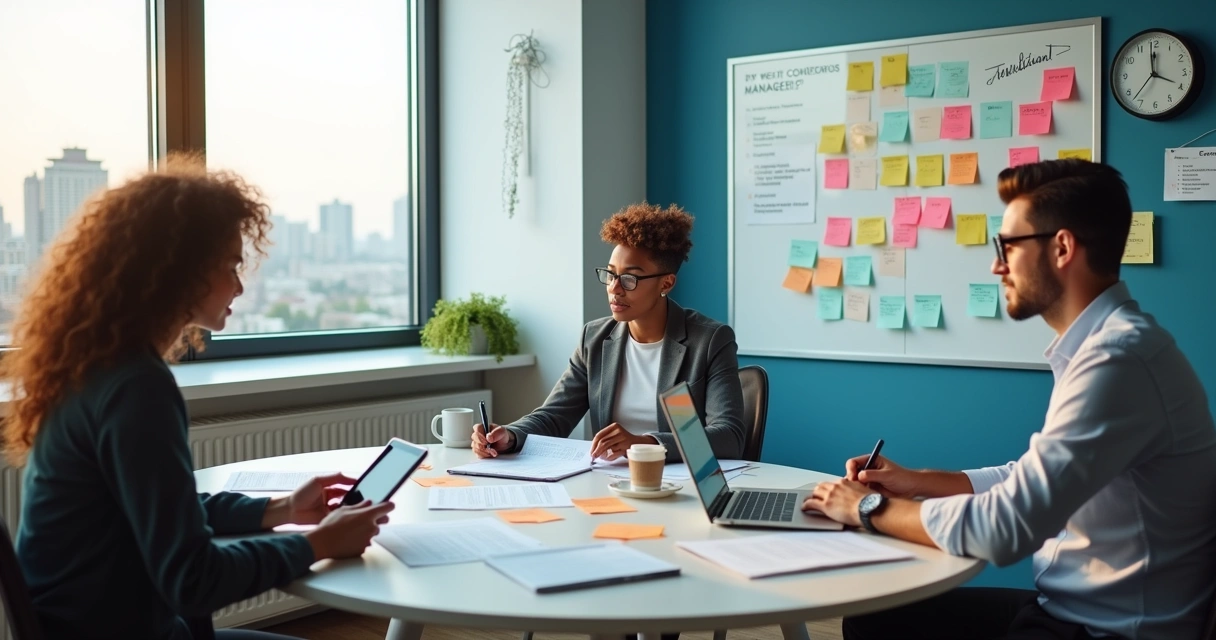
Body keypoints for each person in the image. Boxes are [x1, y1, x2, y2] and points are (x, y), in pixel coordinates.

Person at [804, 159, 1216, 640]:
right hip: (1070, 608)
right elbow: (1029, 477)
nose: (996, 264)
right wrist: (915, 481)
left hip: (1108, 630)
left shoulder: (1116, 360)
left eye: (1008, 246)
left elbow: (1004, 528)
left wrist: (867, 507)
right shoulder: (1106, 346)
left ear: (1062, 247)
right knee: (872, 619)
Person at [4, 156, 395, 640]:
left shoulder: (97, 367)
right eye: (230, 265)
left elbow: (166, 513)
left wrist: (281, 509)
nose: (240, 283)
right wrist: (317, 544)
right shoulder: (135, 387)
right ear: (178, 271)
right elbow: (193, 579)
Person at [471, 202, 746, 464]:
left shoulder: (709, 341)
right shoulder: (595, 338)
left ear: (667, 282)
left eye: (630, 278)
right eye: (611, 274)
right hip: (610, 484)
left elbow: (728, 437)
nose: (615, 288)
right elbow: (554, 416)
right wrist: (509, 436)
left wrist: (644, 443)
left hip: (679, 485)